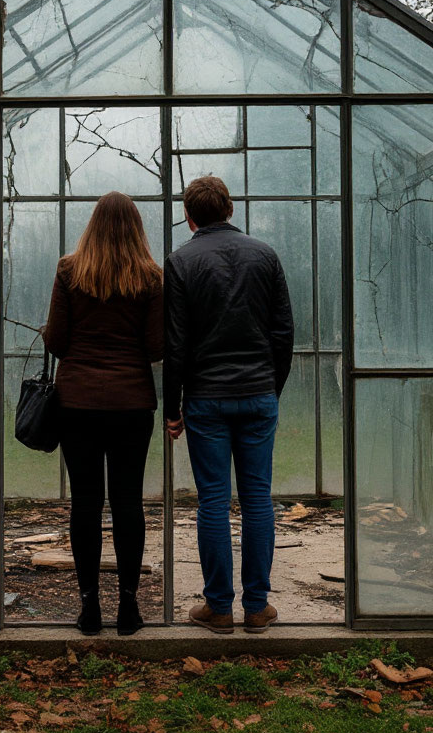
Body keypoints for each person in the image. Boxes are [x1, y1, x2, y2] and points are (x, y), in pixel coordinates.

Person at [164, 175, 294, 635]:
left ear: (189, 214)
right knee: (259, 498)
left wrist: (173, 406)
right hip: (258, 393)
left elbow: (175, 343)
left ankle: (219, 609)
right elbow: (283, 333)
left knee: (213, 502)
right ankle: (257, 608)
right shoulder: (266, 255)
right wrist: (269, 390)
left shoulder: (180, 262)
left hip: (207, 399)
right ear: (231, 209)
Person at [42, 192, 163, 636]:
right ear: (136, 227)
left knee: (86, 503)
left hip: (77, 404)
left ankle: (89, 607)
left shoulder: (69, 270)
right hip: (132, 404)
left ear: (92, 224)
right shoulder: (150, 276)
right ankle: (128, 608)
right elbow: (155, 348)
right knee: (128, 502)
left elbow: (56, 341)